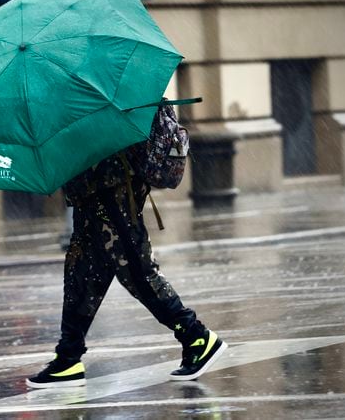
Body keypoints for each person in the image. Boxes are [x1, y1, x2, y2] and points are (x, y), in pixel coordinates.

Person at [26, 105, 227, 388]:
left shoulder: (97, 77)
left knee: (136, 269)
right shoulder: (72, 84)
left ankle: (196, 337)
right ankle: (68, 357)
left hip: (112, 184)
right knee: (82, 270)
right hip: (89, 186)